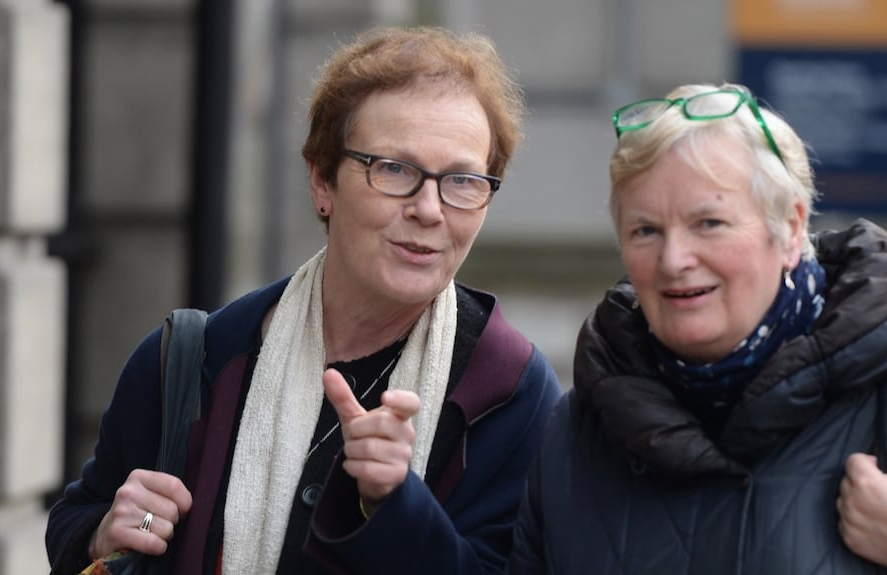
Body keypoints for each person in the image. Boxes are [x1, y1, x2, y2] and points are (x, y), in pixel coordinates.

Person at [46, 26, 561, 575]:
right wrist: (106, 533)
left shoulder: (510, 394)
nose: (430, 209)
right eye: (394, 169)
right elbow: (79, 518)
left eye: (462, 179)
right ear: (321, 181)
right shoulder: (194, 360)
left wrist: (392, 506)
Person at [507, 82, 887, 574]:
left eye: (709, 223)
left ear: (789, 228)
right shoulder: (579, 430)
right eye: (646, 230)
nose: (674, 260)